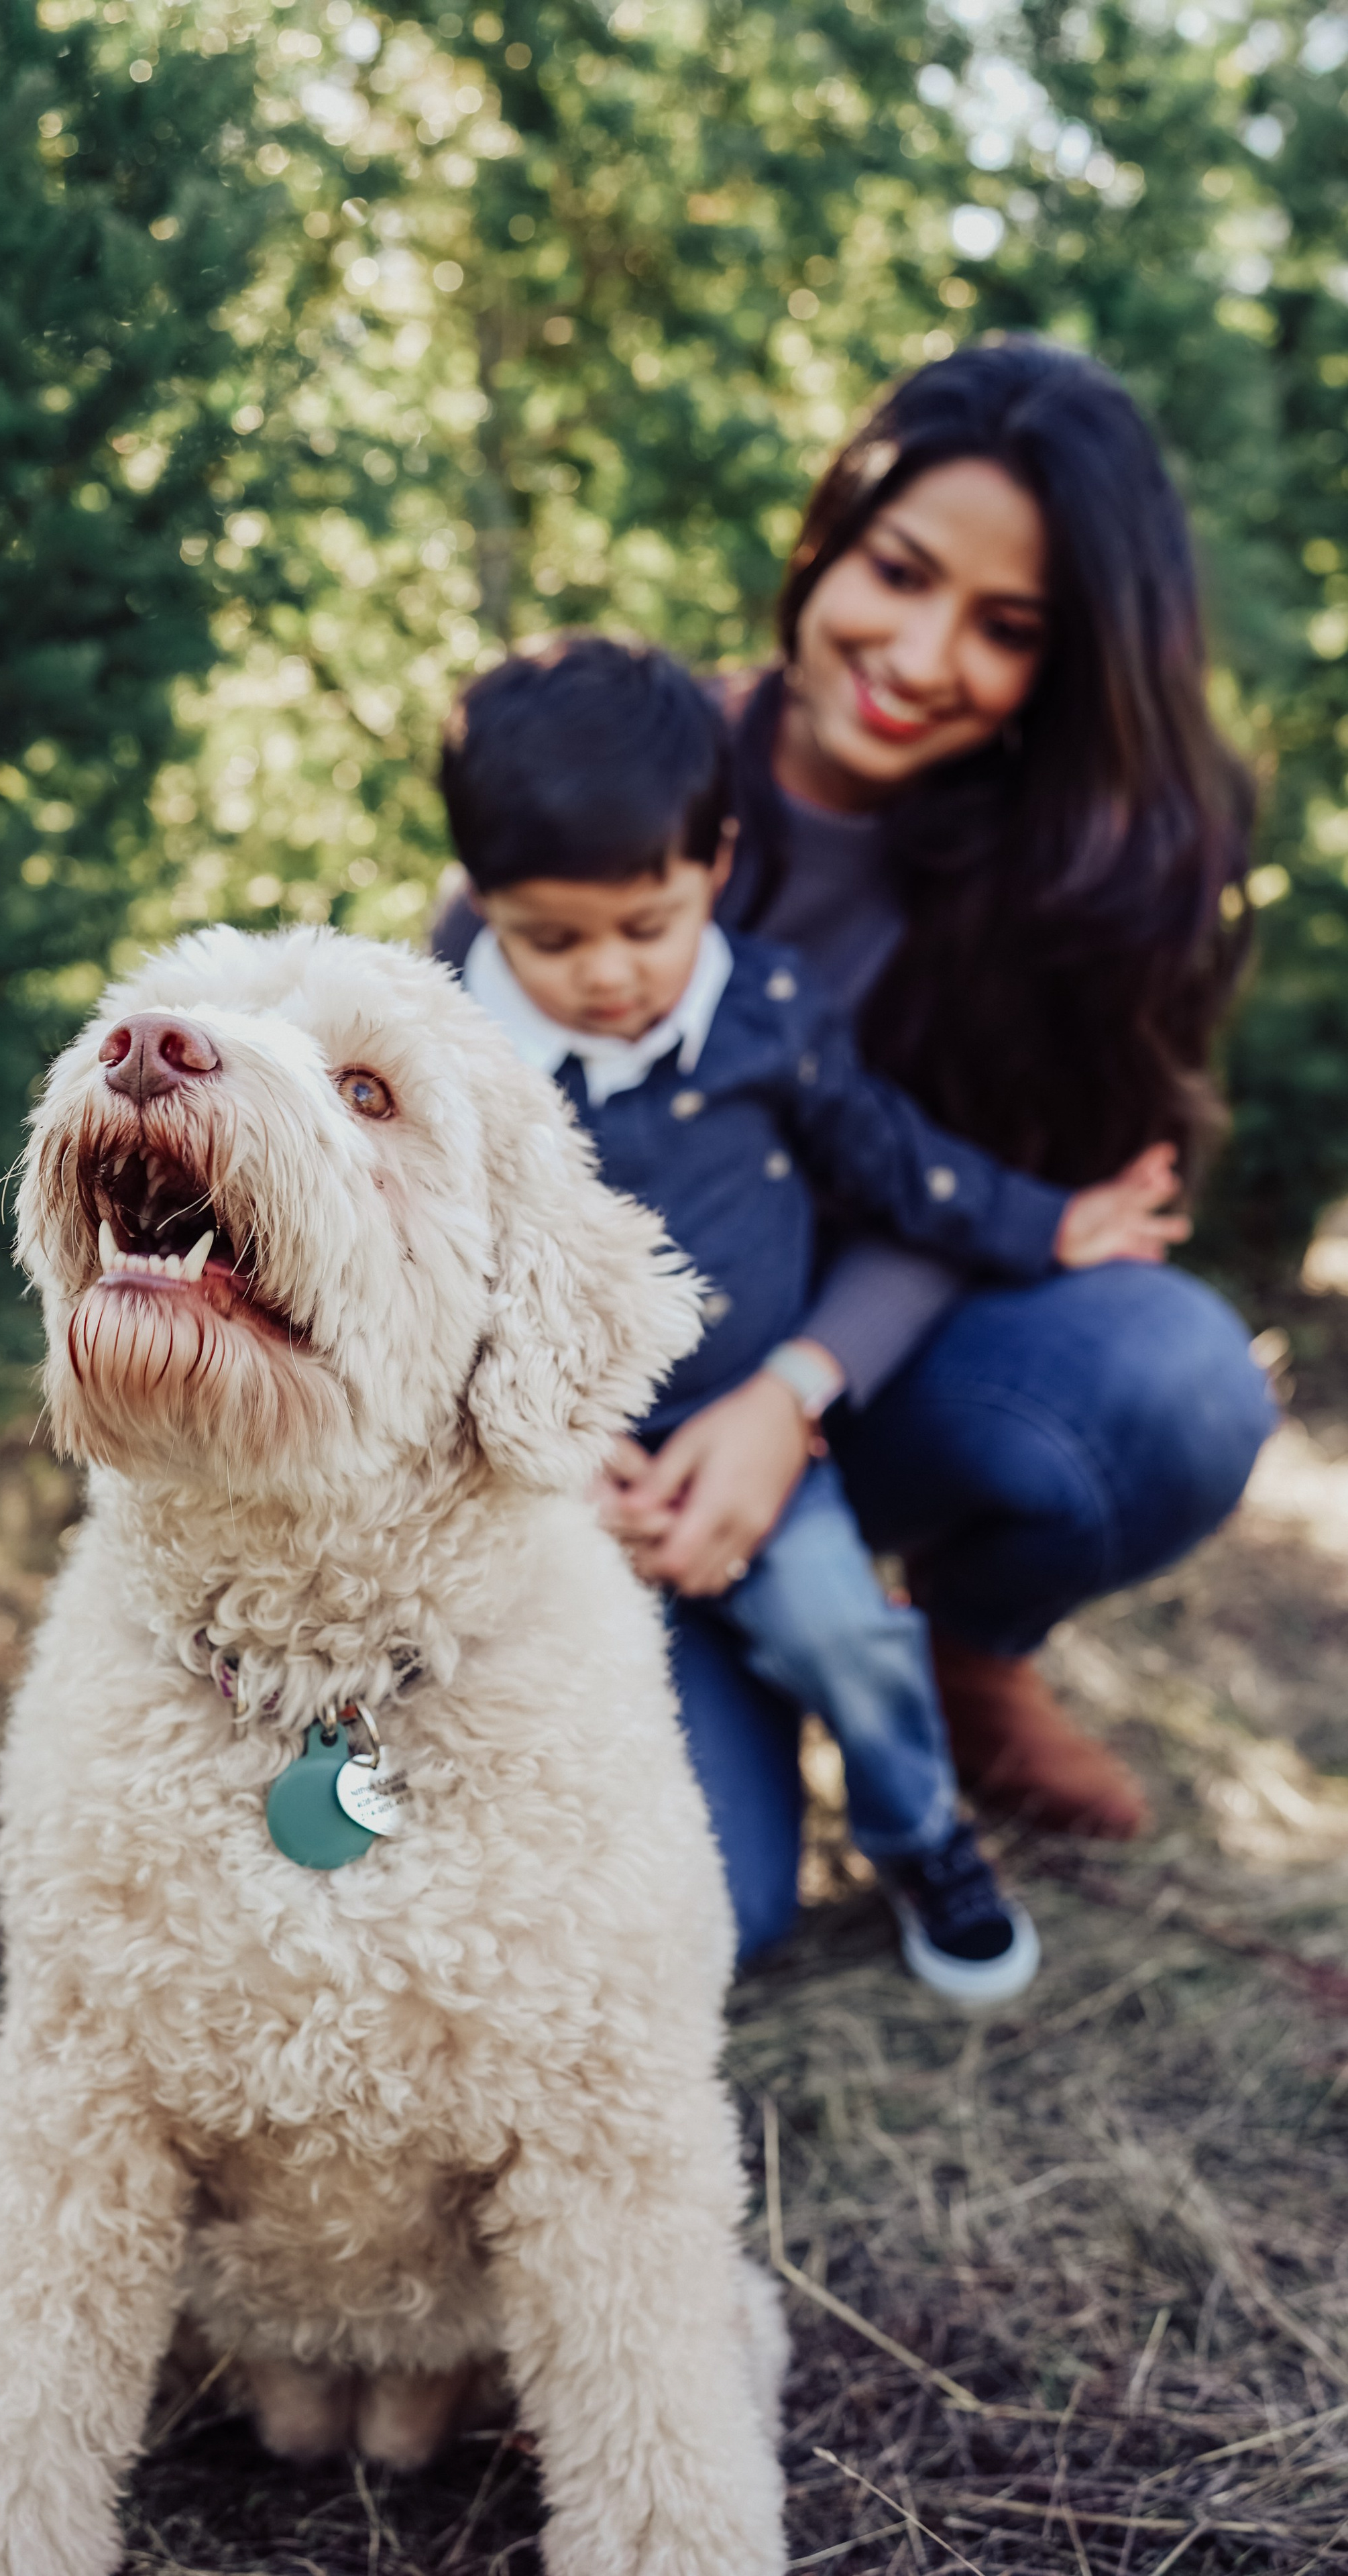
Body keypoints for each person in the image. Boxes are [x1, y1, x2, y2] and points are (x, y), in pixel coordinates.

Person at [434, 341, 1276, 1953]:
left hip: (856, 1395)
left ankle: (967, 1660)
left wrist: (789, 1398)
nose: (920, 655)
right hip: (604, 1450)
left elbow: (938, 1187)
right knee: (708, 1912)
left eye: (1006, 629)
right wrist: (546, 1450)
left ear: (1070, 664)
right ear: (826, 541)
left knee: (1176, 1382)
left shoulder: (1054, 871)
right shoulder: (594, 796)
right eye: (897, 573)